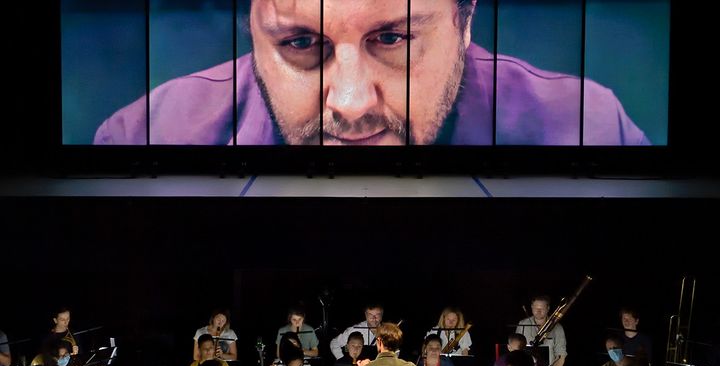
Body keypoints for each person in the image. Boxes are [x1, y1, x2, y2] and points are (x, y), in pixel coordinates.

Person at [94, 0, 648, 146]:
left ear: (466, 18)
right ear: (251, 28)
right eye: (301, 43)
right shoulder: (146, 133)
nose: (352, 104)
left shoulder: (589, 126)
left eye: (392, 38)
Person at [516, 295, 567, 366]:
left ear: (548, 308)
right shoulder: (522, 324)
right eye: (535, 308)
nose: (538, 311)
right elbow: (516, 353)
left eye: (542, 308)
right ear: (531, 307)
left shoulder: (557, 328)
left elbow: (561, 355)